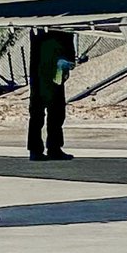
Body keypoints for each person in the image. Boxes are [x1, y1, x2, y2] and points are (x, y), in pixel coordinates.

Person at [27, 28, 75, 161]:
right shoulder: (47, 32)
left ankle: (47, 148)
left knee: (52, 111)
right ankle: (43, 149)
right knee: (43, 111)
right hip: (45, 69)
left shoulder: (41, 31)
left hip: (50, 69)